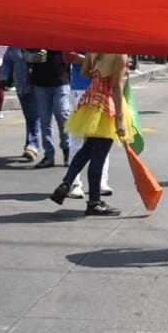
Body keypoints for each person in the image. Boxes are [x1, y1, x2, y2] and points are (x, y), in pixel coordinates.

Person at [51, 53, 130, 217]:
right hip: (106, 105)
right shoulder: (119, 55)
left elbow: (84, 72)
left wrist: (101, 73)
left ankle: (67, 182)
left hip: (89, 102)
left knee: (86, 150)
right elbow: (116, 87)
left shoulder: (94, 50)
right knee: (98, 156)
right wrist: (120, 118)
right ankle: (94, 202)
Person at [25, 48, 74, 166]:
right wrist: (32, 57)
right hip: (40, 82)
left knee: (62, 114)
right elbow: (25, 54)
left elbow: (73, 53)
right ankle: (49, 155)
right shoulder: (37, 36)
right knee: (44, 119)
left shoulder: (63, 35)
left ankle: (67, 148)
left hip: (61, 80)